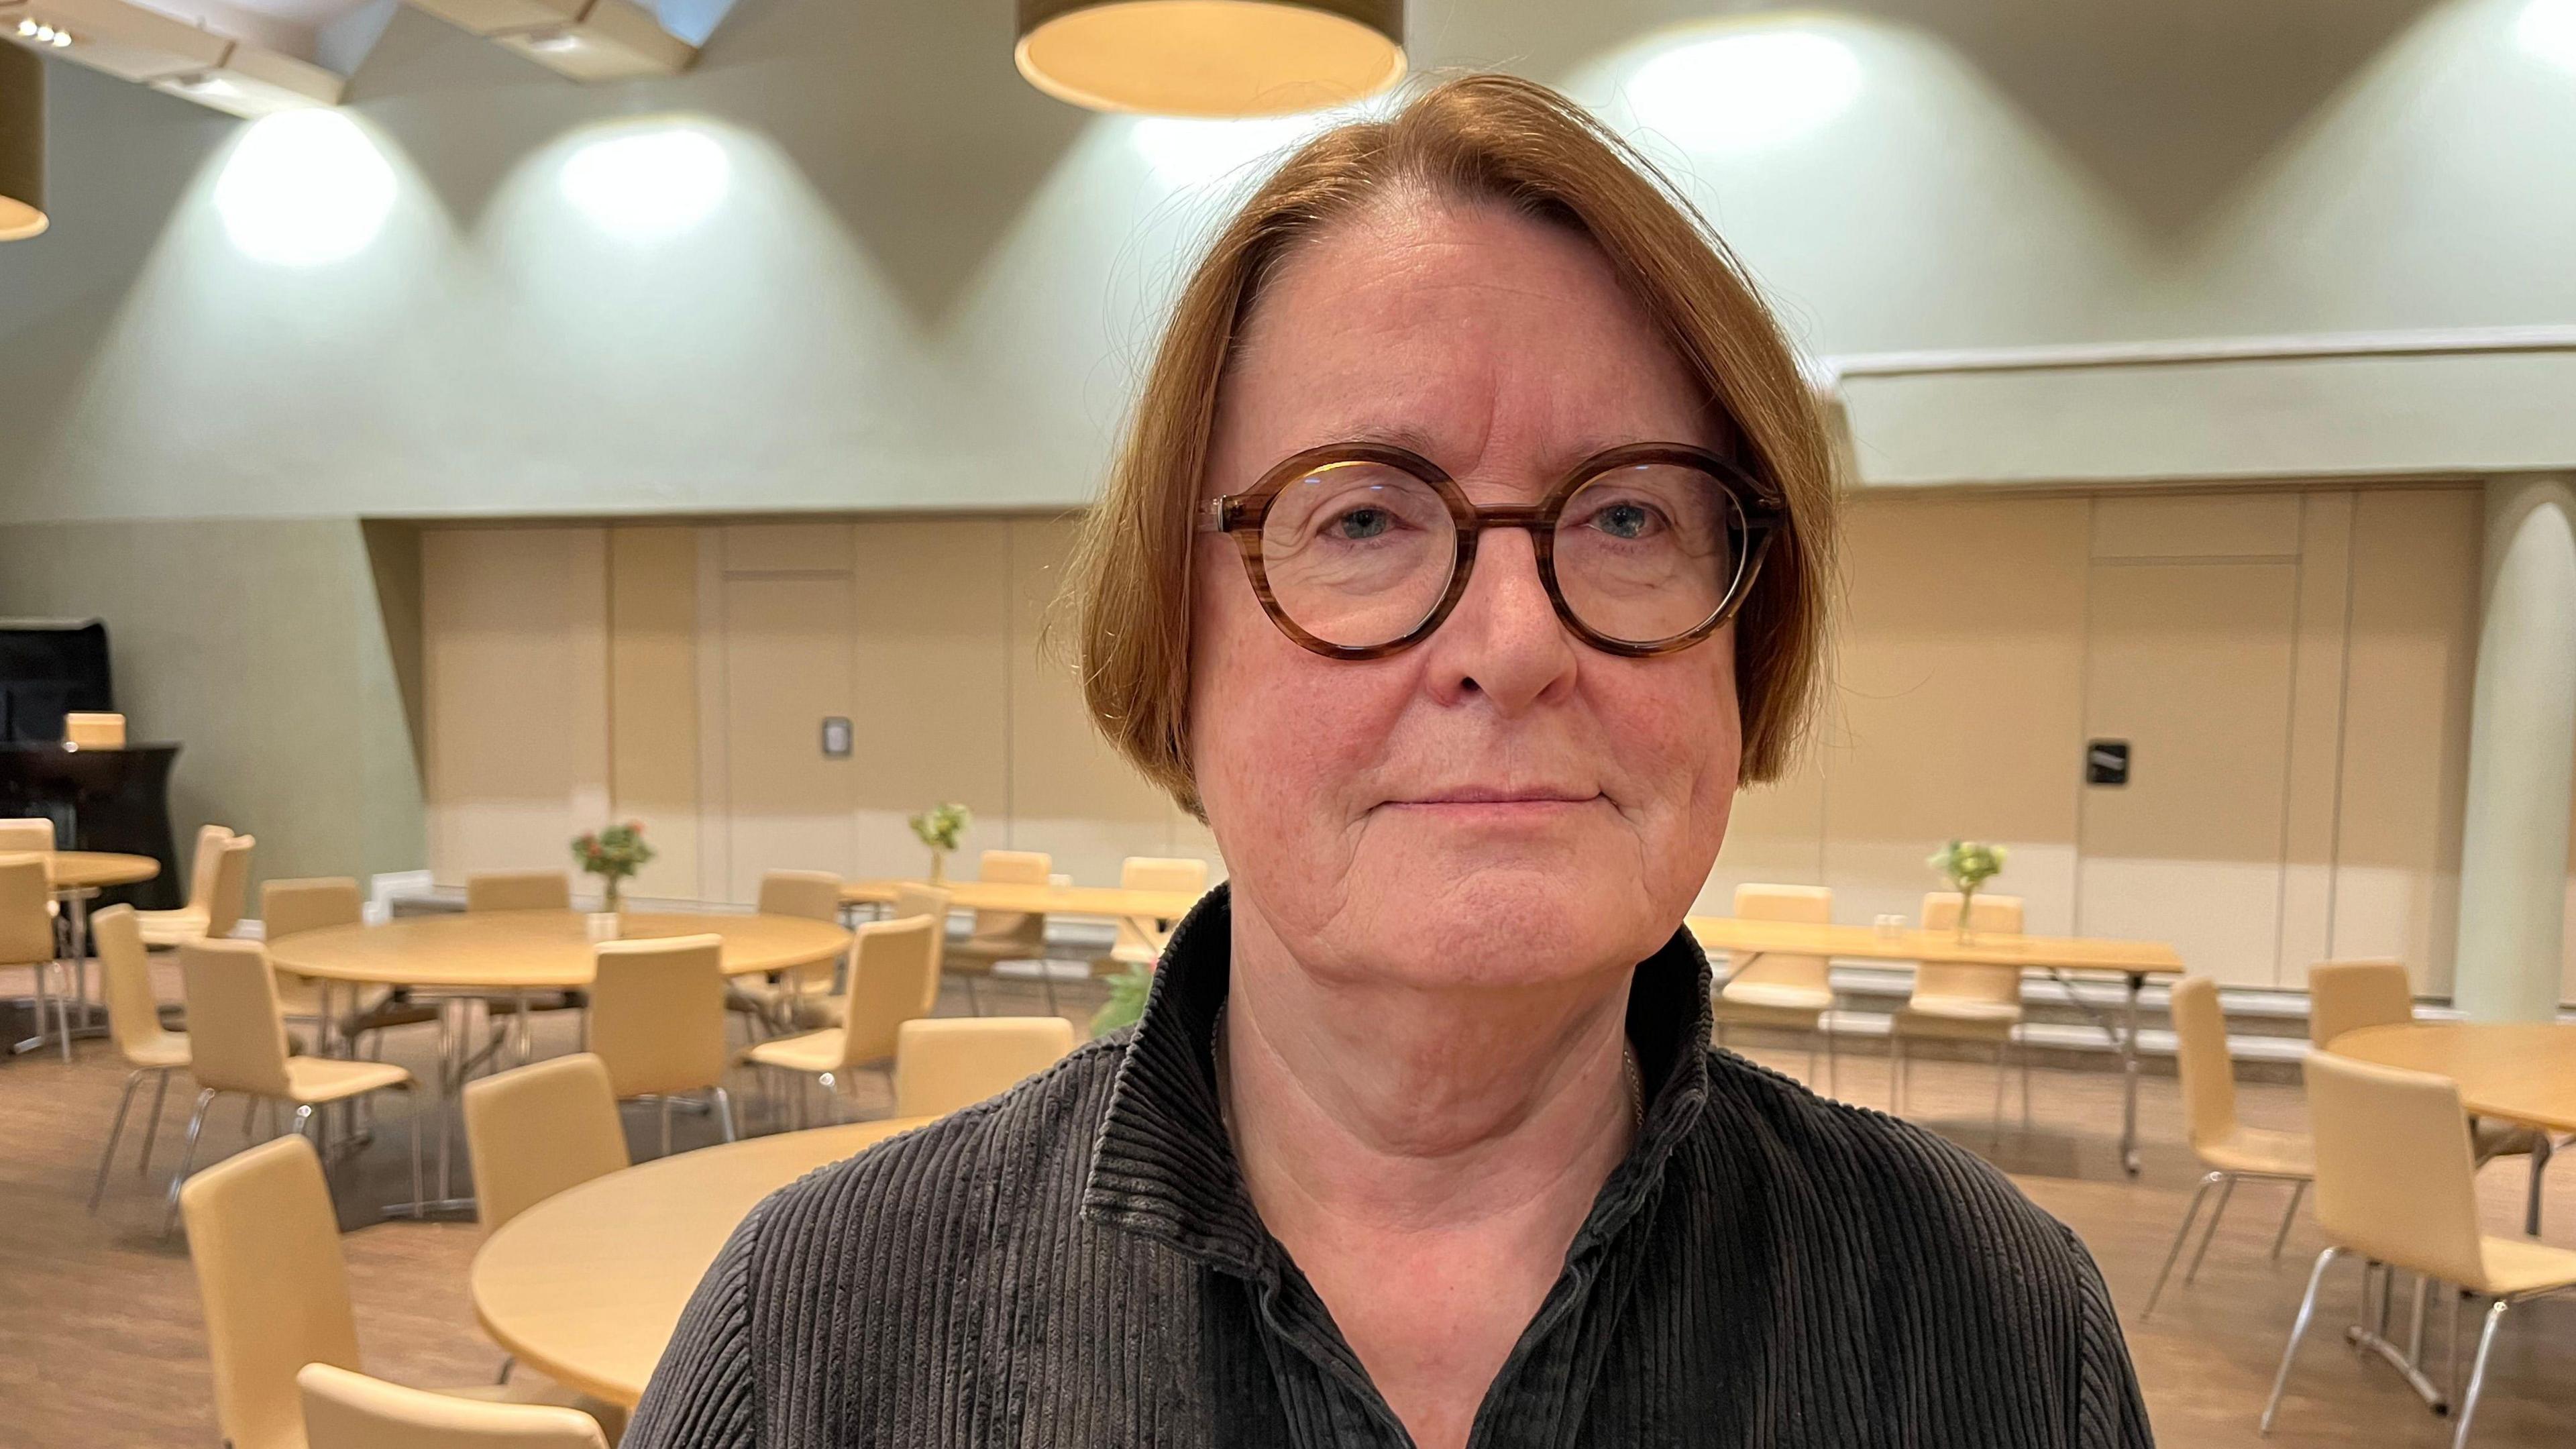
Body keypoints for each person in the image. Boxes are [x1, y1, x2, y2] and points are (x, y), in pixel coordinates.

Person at [628, 73, 2151, 1449]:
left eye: (1629, 518)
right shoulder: (815, 1342)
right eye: (1362, 517)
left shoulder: (2004, 1333)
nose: (1514, 640)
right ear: (1176, 638)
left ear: (1741, 652)